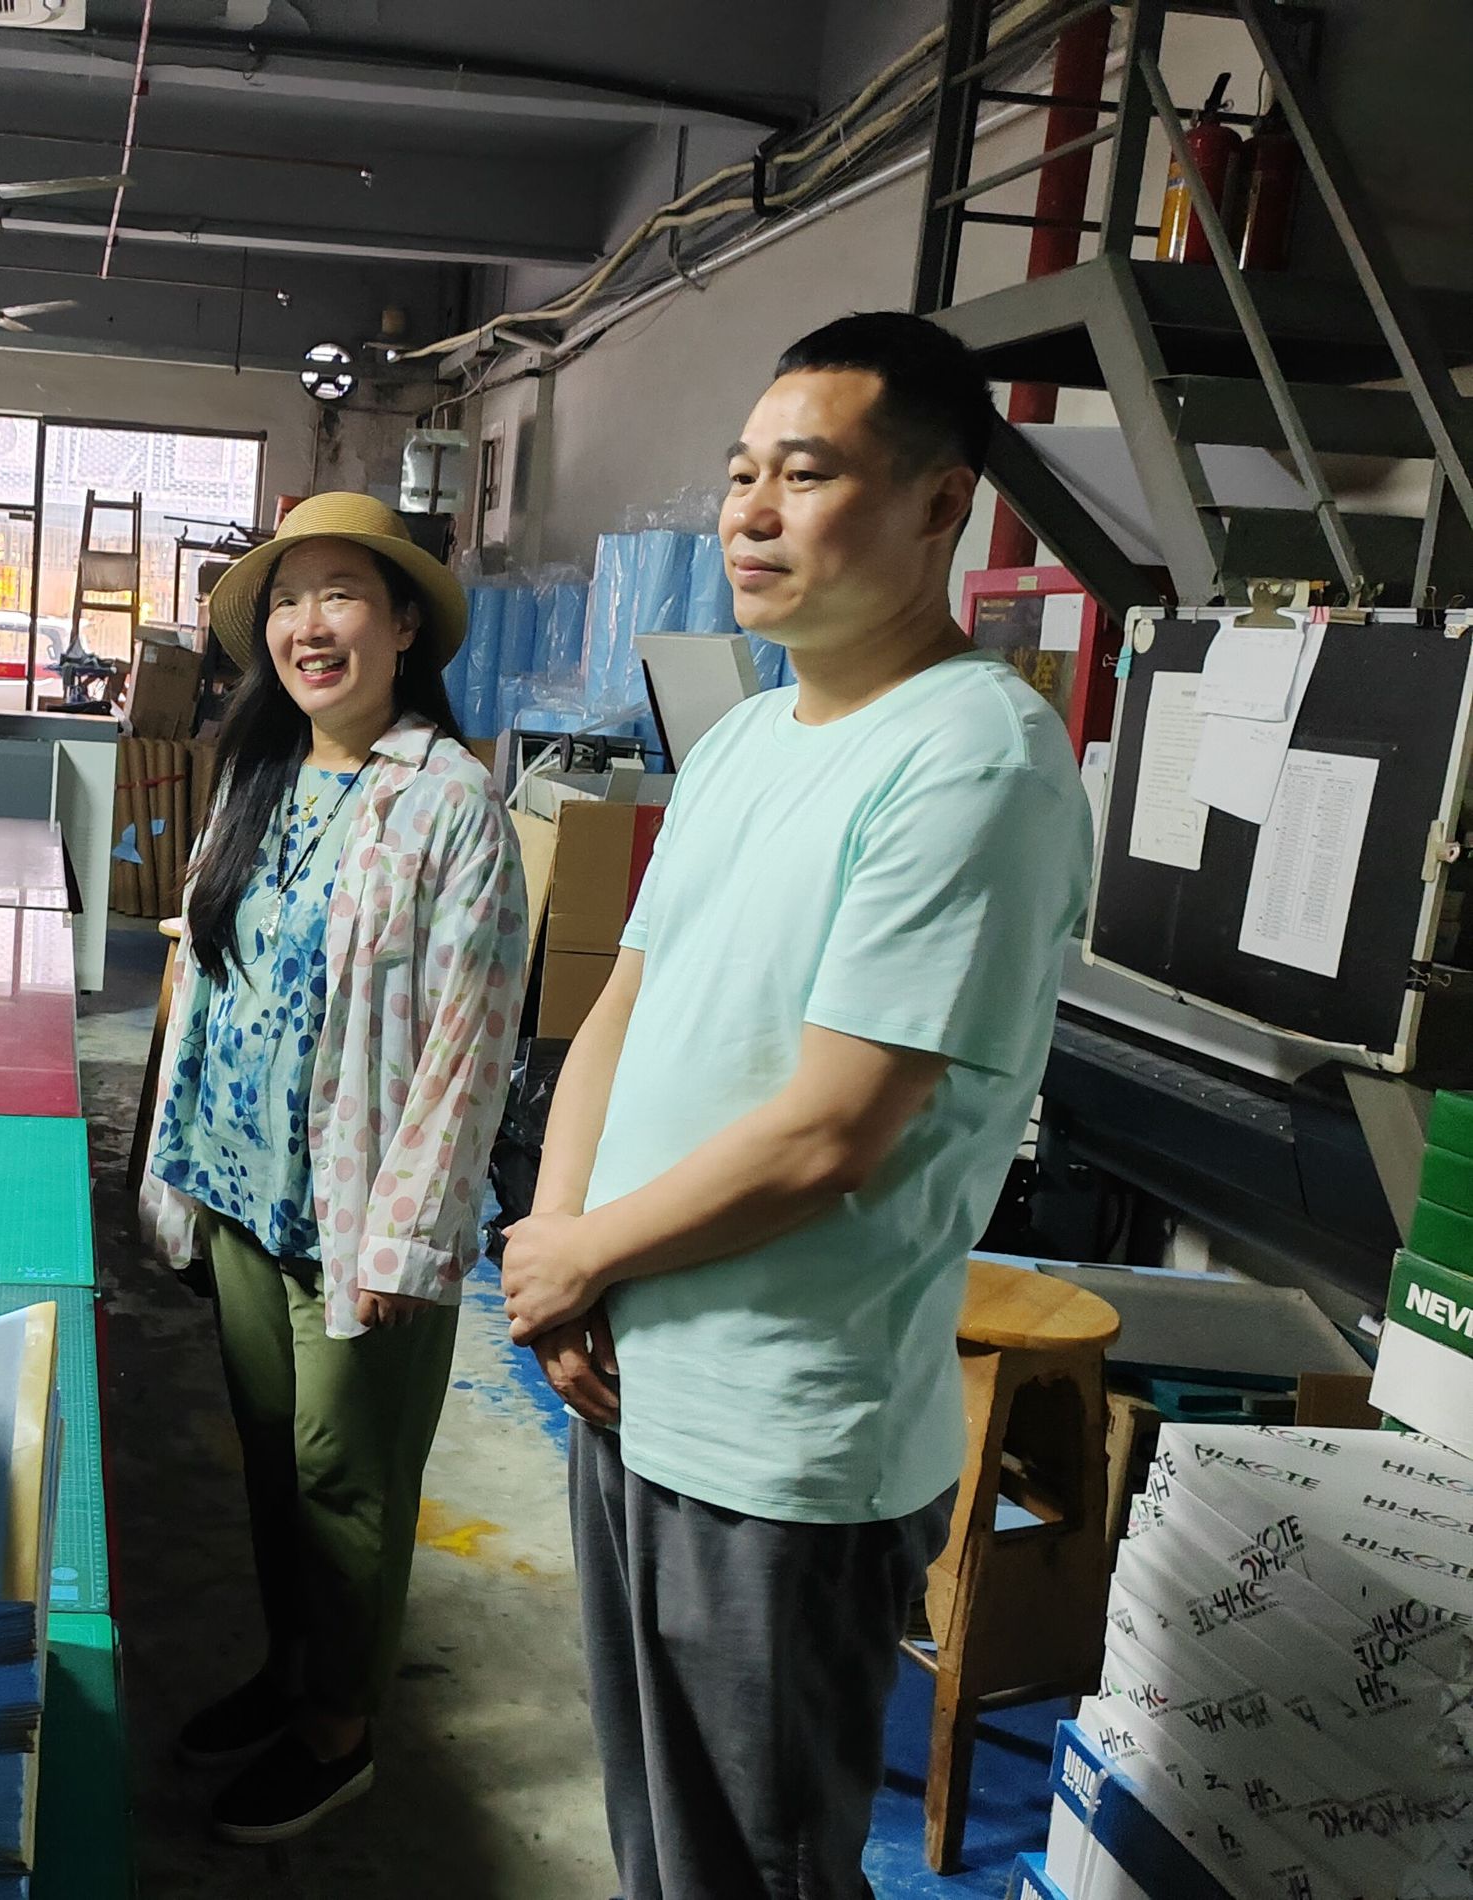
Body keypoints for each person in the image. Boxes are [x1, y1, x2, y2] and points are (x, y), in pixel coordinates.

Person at [500, 312, 1094, 1898]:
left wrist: (586, 1254)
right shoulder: (746, 741)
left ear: (939, 504)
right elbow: (621, 1006)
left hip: (781, 1438)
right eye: (740, 474)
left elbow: (836, 1129)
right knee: (662, 1848)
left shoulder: (974, 760)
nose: (751, 513)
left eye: (808, 474)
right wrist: (559, 1248)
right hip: (629, 1376)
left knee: (755, 1871)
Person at [141, 492, 528, 1846]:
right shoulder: (259, 778)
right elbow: (204, 980)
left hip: (359, 1212)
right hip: (240, 1189)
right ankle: (293, 1671)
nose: (310, 625)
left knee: (343, 1481)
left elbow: (471, 1043)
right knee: (269, 1463)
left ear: (404, 624)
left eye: (342, 594)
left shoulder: (452, 805)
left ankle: (340, 1732)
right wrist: (173, 1170)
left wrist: (414, 1235)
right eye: (288, 601)